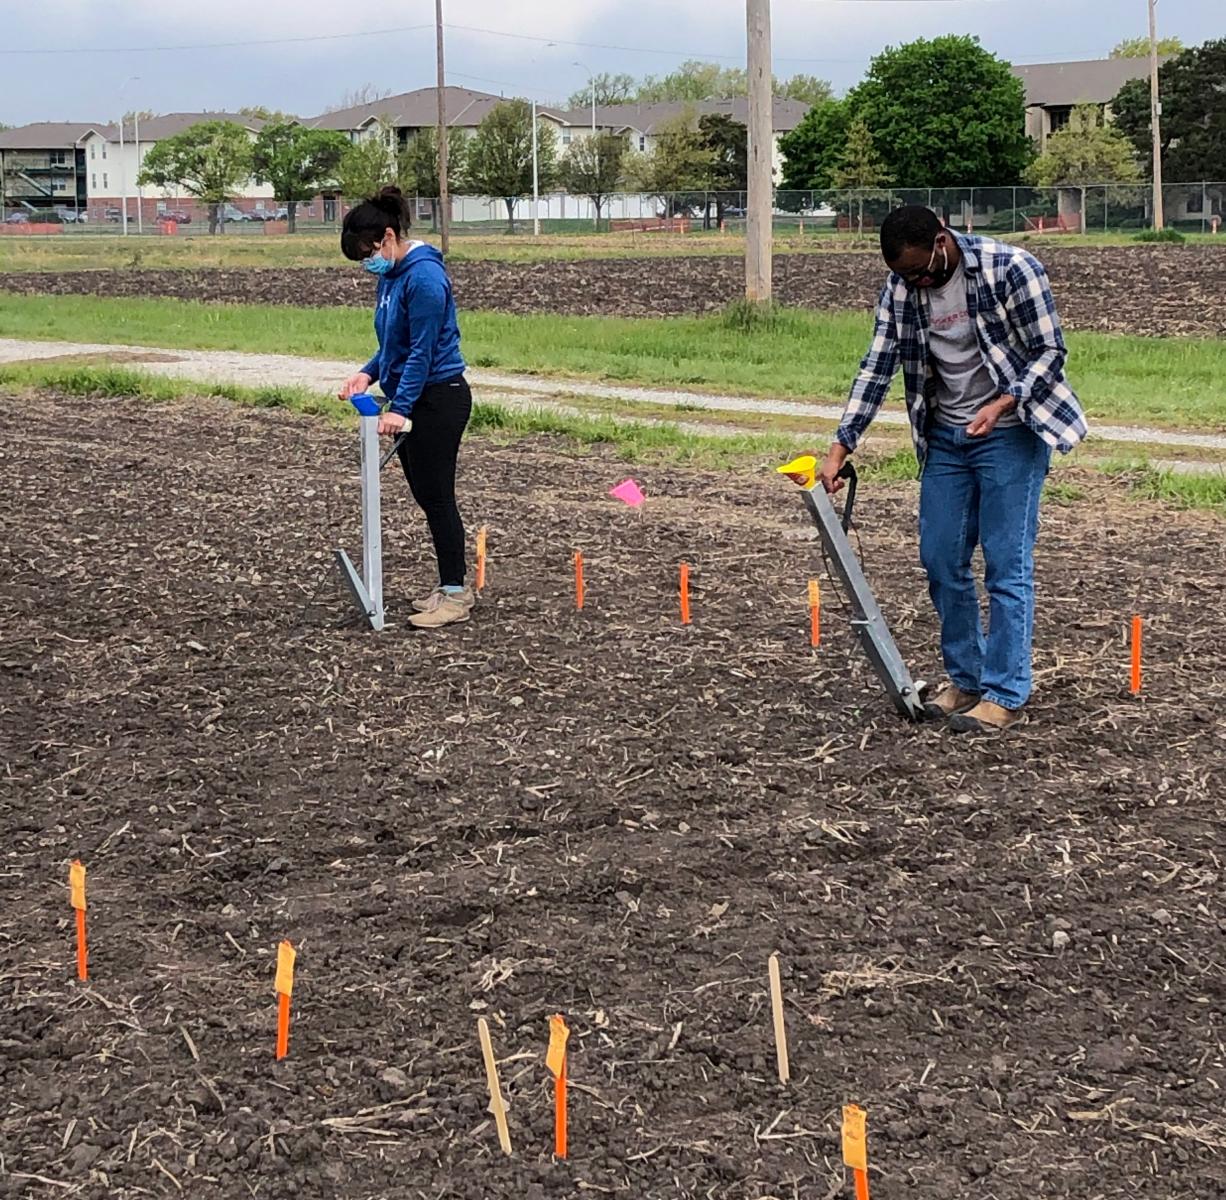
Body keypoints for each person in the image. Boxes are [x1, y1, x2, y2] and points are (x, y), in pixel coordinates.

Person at [817, 205, 1088, 732]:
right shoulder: (901, 290)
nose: (916, 282)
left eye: (921, 270)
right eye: (905, 275)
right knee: (940, 558)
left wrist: (1004, 402)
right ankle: (966, 680)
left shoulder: (1010, 268)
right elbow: (876, 367)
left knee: (1007, 565)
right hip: (946, 436)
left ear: (943, 241)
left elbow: (1050, 351)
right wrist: (840, 446)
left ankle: (1004, 693)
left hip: (1011, 432)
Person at [338, 187, 473, 629]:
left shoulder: (425, 278)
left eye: (368, 253)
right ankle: (447, 583)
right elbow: (394, 345)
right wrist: (368, 373)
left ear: (389, 237)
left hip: (440, 396)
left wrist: (401, 407)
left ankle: (455, 593)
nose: (367, 263)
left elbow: (422, 350)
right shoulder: (392, 276)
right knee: (427, 497)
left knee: (438, 497)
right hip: (414, 396)